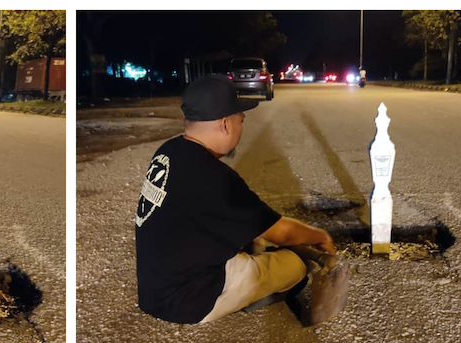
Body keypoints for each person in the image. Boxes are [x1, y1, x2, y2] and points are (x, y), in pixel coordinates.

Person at [135, 75, 336, 325]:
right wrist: (321, 236)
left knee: (255, 239)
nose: (241, 127)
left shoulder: (168, 151)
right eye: (240, 120)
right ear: (225, 124)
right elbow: (281, 233)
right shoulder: (215, 179)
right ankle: (253, 295)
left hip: (154, 290)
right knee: (295, 264)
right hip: (187, 301)